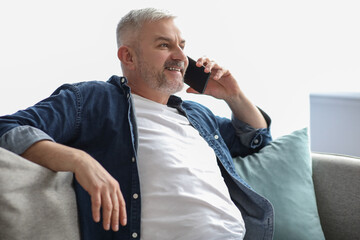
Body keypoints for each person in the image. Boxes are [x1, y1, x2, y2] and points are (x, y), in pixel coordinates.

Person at [0, 8, 274, 240]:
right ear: (128, 57)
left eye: (182, 45)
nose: (181, 57)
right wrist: (79, 160)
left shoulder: (196, 115)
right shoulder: (93, 99)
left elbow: (253, 139)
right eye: (165, 45)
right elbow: (8, 128)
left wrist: (233, 95)